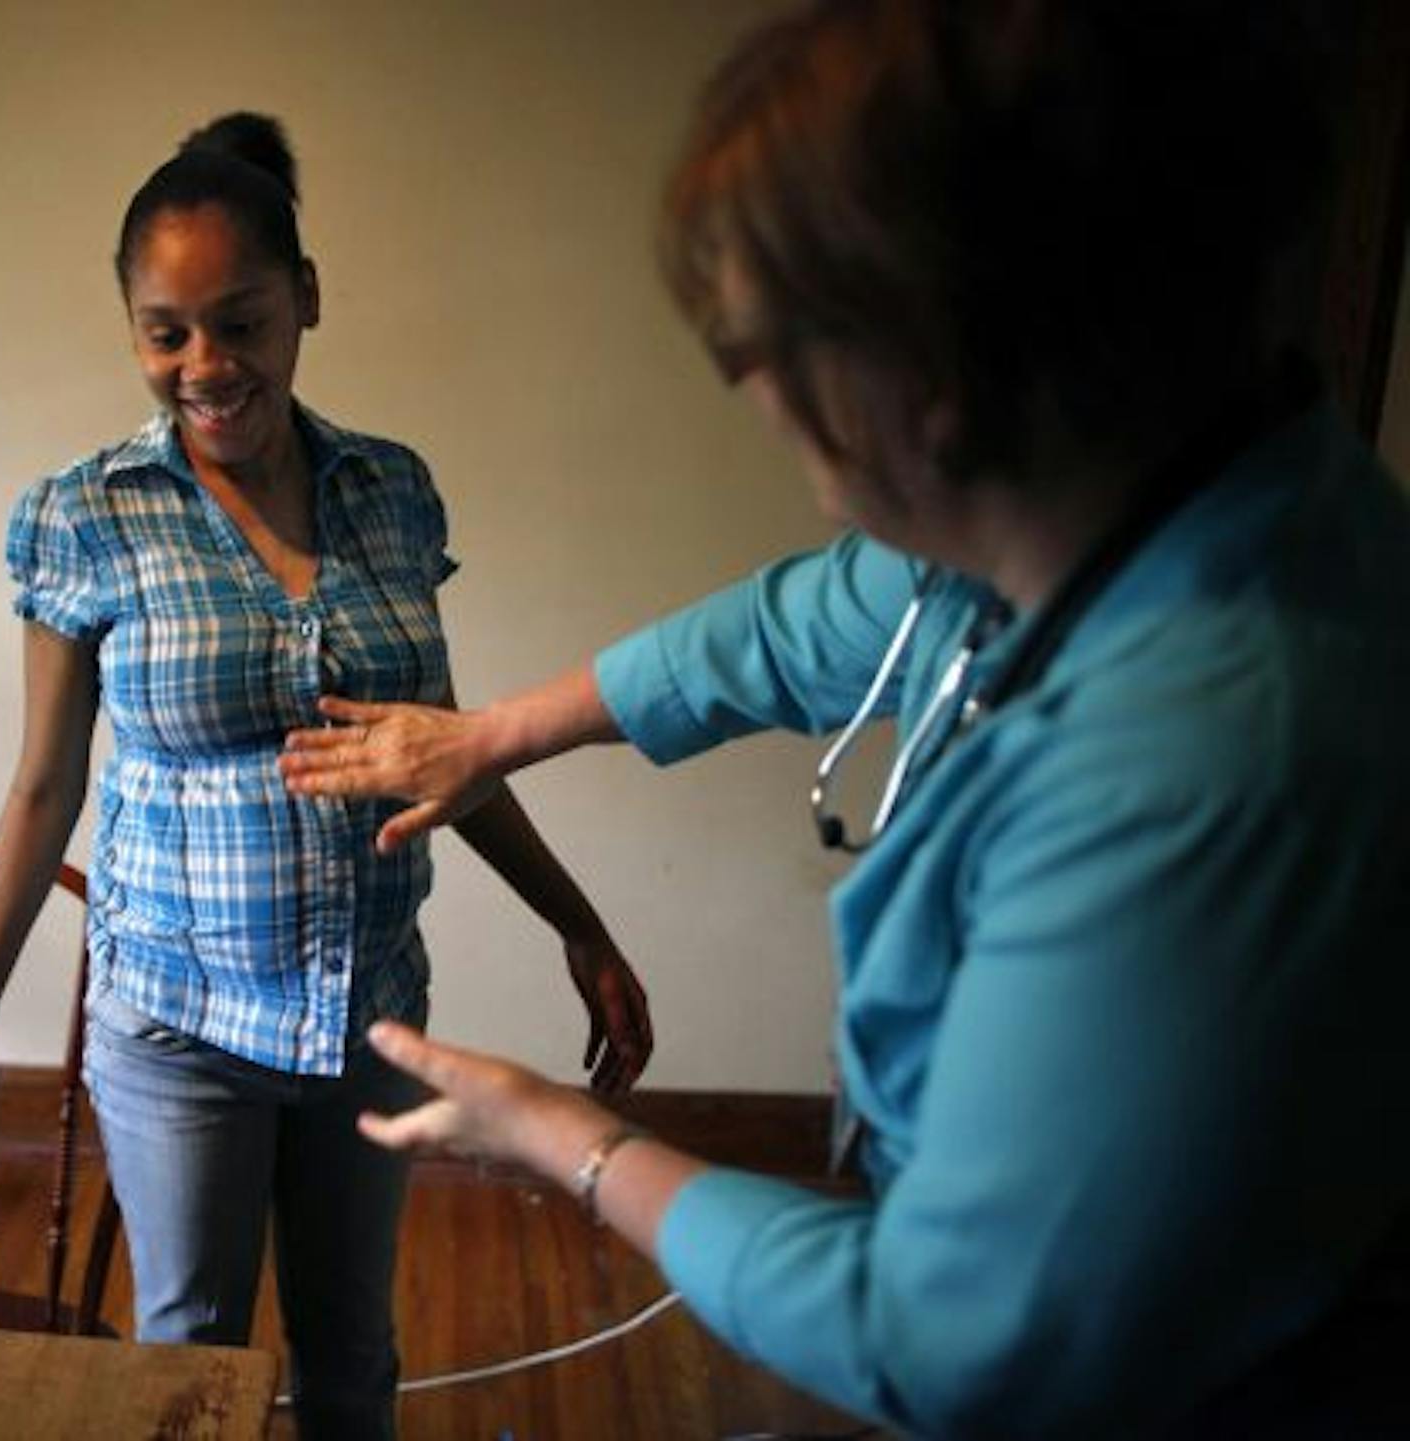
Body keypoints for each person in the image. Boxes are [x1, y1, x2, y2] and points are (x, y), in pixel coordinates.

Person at [278, 2, 1410, 1436]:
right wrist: (491, 733)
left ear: (928, 386)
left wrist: (562, 1137)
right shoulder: (1126, 474)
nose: (757, 401)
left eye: (767, 357)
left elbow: (944, 1340)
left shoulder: (1207, 771)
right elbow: (780, 627)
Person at [0, 112, 652, 1439]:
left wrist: (578, 920)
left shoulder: (391, 491)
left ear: (303, 299)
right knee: (185, 1366)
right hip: (179, 1027)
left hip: (365, 1013)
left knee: (352, 1361)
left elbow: (448, 747)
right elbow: (41, 789)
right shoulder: (86, 516)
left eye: (240, 320)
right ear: (134, 330)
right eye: (166, 330)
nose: (205, 364)